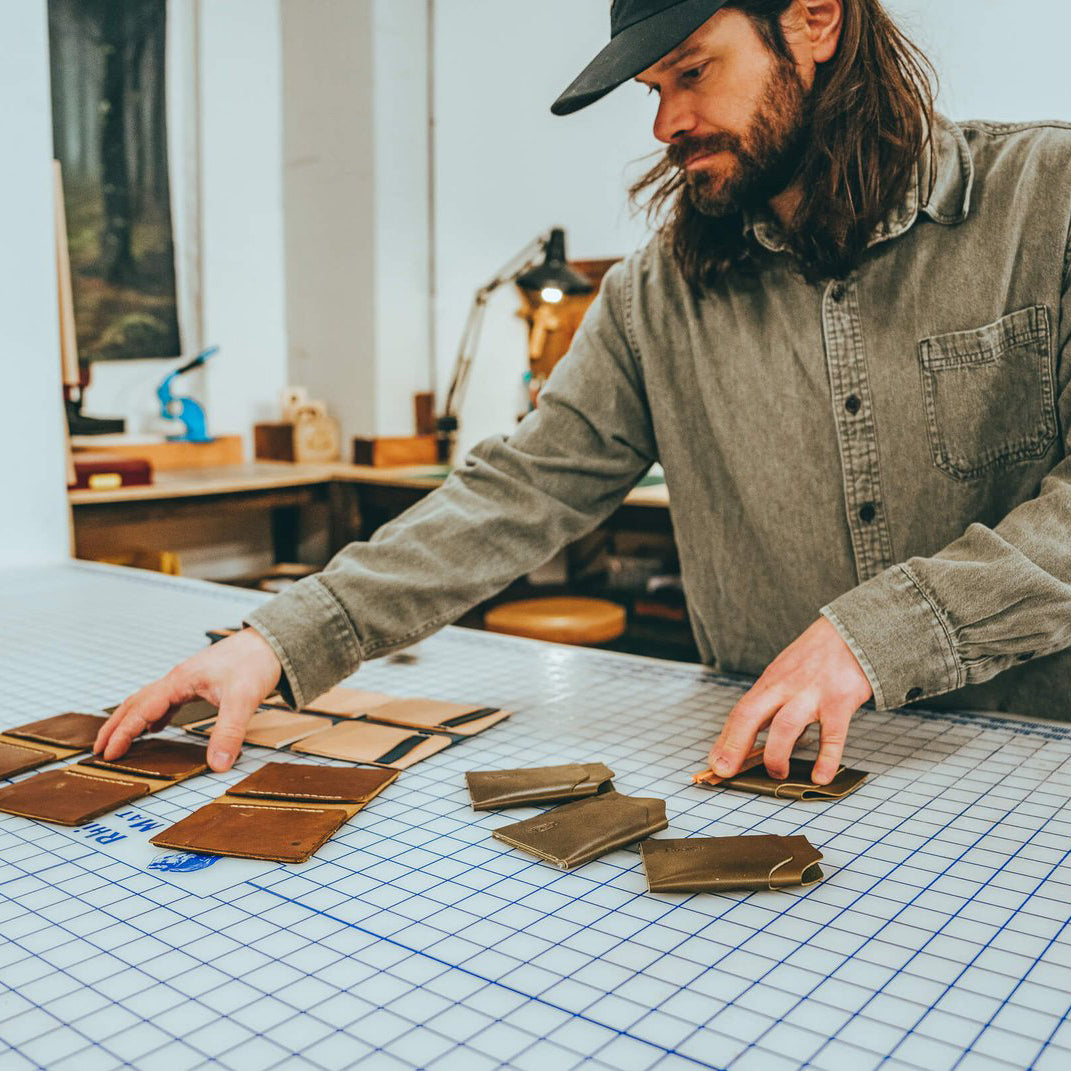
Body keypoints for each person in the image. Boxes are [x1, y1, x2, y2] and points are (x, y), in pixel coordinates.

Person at [95, 0, 1071, 787]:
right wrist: (281, 640)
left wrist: (878, 636)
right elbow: (518, 491)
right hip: (773, 774)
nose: (665, 123)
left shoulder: (1049, 201)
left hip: (1027, 767)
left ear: (816, 23)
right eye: (653, 89)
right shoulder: (658, 295)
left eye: (693, 72)